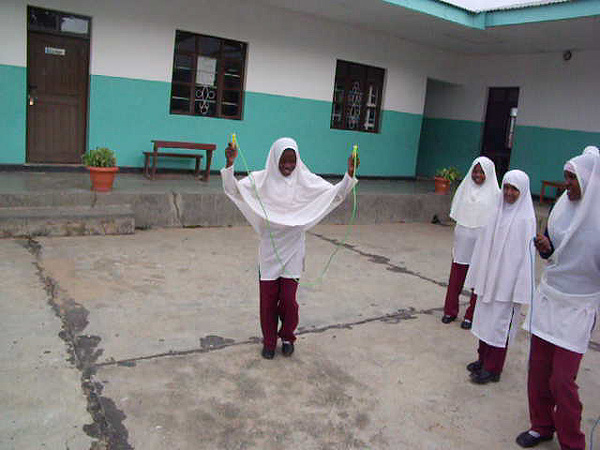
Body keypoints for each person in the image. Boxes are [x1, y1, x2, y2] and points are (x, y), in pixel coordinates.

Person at [221, 137, 358, 359]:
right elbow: (234, 191)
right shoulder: (261, 180)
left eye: (292, 161)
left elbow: (336, 194)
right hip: (269, 250)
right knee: (267, 301)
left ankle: (287, 336)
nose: (288, 166)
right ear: (274, 159)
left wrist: (349, 174)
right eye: (283, 161)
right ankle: (269, 341)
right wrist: (229, 165)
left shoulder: (306, 180)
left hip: (294, 249)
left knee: (288, 300)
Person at [516, 149, 599, 449]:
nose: (567, 185)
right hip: (550, 296)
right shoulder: (561, 206)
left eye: (573, 179)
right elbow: (552, 252)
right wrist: (545, 246)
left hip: (578, 306)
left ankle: (572, 442)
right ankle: (541, 425)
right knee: (538, 369)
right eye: (566, 178)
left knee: (562, 380)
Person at [464, 170, 536, 384]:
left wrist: (519, 288)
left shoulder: (526, 219)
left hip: (506, 283)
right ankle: (482, 359)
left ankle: (493, 369)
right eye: (506, 187)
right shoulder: (496, 211)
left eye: (514, 189)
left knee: (499, 325)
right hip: (489, 279)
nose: (509, 193)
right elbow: (483, 245)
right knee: (485, 320)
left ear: (522, 191)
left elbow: (527, 258)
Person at [441, 156, 500, 329]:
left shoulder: (496, 195)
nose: (477, 175)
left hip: (481, 243)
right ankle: (450, 311)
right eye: (475, 171)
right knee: (456, 277)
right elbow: (457, 211)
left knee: (477, 281)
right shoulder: (465, 188)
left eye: (482, 172)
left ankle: (471, 315)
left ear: (489, 173)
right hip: (463, 241)